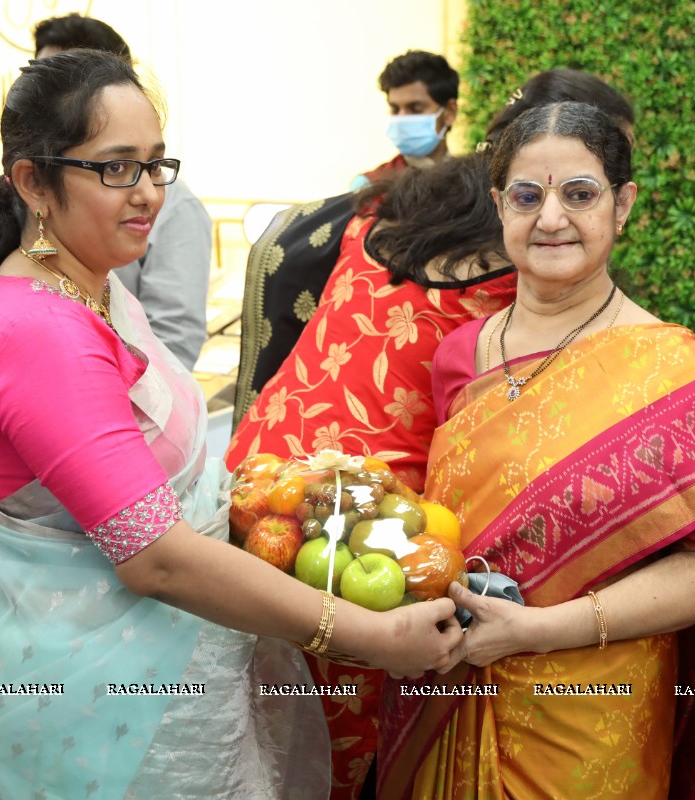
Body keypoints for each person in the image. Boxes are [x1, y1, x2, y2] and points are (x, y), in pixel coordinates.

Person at [0, 50, 461, 798]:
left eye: (155, 164)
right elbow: (155, 559)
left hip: (163, 683)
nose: (147, 194)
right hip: (114, 718)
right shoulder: (42, 334)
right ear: (32, 181)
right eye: (115, 168)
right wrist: (369, 635)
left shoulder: (86, 288)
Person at [376, 101, 695, 799]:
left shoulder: (671, 370)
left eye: (580, 194)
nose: (551, 219)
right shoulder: (460, 353)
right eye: (527, 195)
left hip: (589, 706)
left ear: (623, 205)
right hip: (447, 684)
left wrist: (539, 630)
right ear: (499, 206)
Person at [229, 71, 635, 799]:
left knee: (266, 714)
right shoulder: (530, 274)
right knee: (342, 720)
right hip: (356, 518)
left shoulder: (393, 199)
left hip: (262, 478)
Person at [233, 67, 633, 424]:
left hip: (257, 458)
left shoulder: (388, 201)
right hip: (361, 496)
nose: (550, 219)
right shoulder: (532, 268)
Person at [33, 13, 213, 369]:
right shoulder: (24, 194)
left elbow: (171, 343)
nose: (45, 106)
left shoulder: (172, 208)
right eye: (39, 84)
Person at [350, 50, 459, 191]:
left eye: (415, 109)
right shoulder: (370, 187)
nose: (401, 119)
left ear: (450, 112)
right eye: (395, 109)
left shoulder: (473, 185)